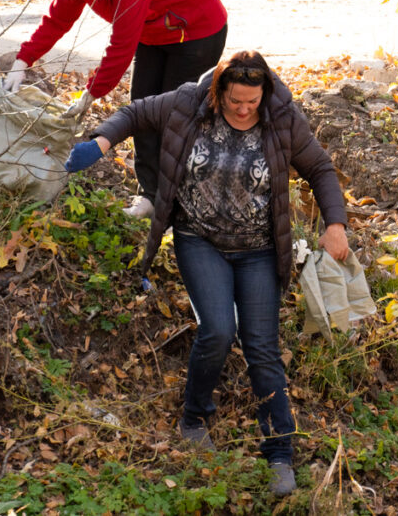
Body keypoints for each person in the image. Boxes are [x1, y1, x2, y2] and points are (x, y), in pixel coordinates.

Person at [63, 50, 350, 497]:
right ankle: (195, 417)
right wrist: (100, 141)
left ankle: (279, 452)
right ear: (218, 90)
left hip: (258, 249)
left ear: (264, 94)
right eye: (235, 100)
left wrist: (335, 223)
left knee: (262, 347)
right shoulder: (187, 103)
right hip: (199, 239)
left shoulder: (281, 117)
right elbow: (135, 113)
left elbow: (319, 167)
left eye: (251, 101)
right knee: (217, 329)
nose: (243, 109)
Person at [0, 0, 228, 218]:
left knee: (173, 115)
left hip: (197, 29)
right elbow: (57, 21)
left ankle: (178, 205)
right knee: (142, 109)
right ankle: (150, 196)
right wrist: (23, 60)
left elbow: (121, 48)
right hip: (156, 31)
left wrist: (91, 93)